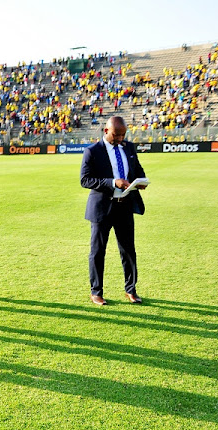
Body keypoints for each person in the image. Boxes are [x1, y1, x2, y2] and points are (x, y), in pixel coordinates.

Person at [80, 115, 147, 305]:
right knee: (98, 252)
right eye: (117, 135)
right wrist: (112, 182)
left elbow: (137, 170)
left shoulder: (129, 147)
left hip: (125, 206)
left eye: (123, 135)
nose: (120, 138)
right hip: (102, 208)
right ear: (106, 131)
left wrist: (141, 181)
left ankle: (131, 290)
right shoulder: (92, 152)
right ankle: (96, 292)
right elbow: (85, 180)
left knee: (128, 251)